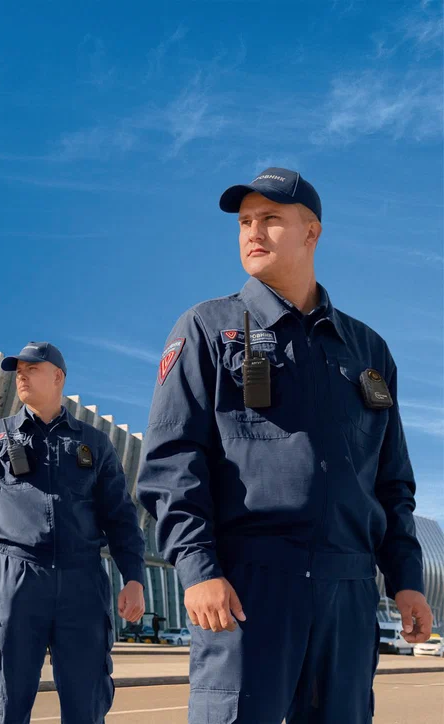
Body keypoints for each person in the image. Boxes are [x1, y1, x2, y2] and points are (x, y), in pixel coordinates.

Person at [136, 167, 434, 722]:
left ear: (311, 232)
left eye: (270, 219)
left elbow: (392, 481)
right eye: (245, 221)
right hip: (249, 588)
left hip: (348, 593)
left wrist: (407, 581)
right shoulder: (206, 327)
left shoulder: (367, 349)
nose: (253, 232)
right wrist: (199, 569)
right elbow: (172, 462)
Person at [0, 341, 147, 724]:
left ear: (57, 376)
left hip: (83, 581)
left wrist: (134, 577)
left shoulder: (94, 443)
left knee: (87, 700)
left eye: (31, 368)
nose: (20, 375)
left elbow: (121, 517)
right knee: (7, 697)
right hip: (16, 578)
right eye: (17, 370)